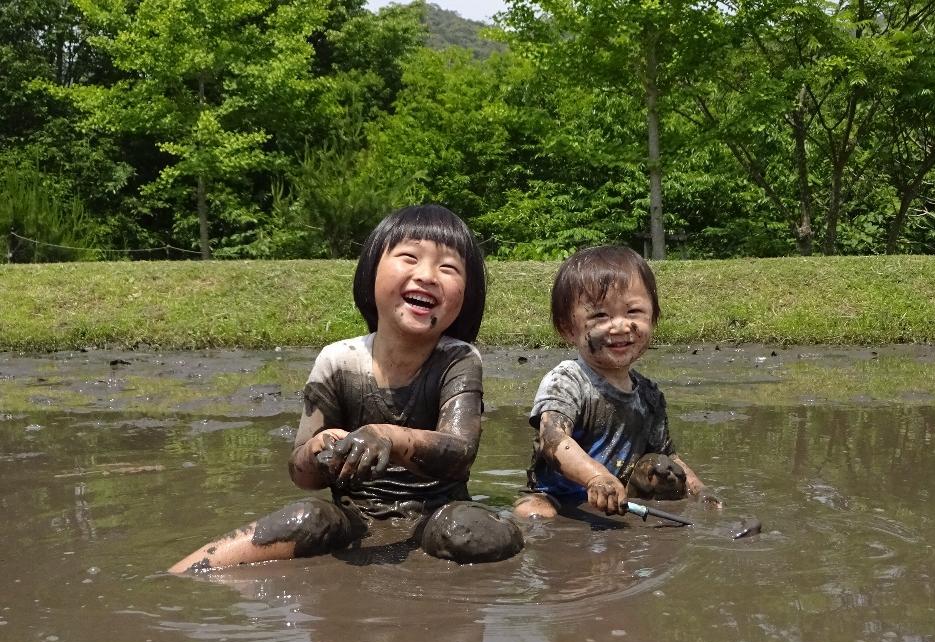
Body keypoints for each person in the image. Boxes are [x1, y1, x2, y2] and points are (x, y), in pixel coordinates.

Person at [170, 205, 523, 572]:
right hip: (351, 520)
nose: (427, 275)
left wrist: (388, 437)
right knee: (306, 517)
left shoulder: (459, 359)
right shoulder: (338, 360)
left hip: (437, 516)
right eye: (409, 257)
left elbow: (460, 451)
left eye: (448, 267)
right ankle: (185, 573)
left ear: (467, 295)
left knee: (467, 529)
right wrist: (319, 448)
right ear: (371, 271)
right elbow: (300, 475)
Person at [513, 245, 710, 520]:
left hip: (621, 498)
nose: (619, 326)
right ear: (568, 328)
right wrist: (596, 478)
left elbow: (670, 457)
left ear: (653, 318)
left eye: (633, 312)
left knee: (667, 481)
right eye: (600, 316)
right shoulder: (567, 380)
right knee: (532, 513)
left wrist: (700, 493)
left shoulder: (650, 396)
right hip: (556, 496)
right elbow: (551, 438)